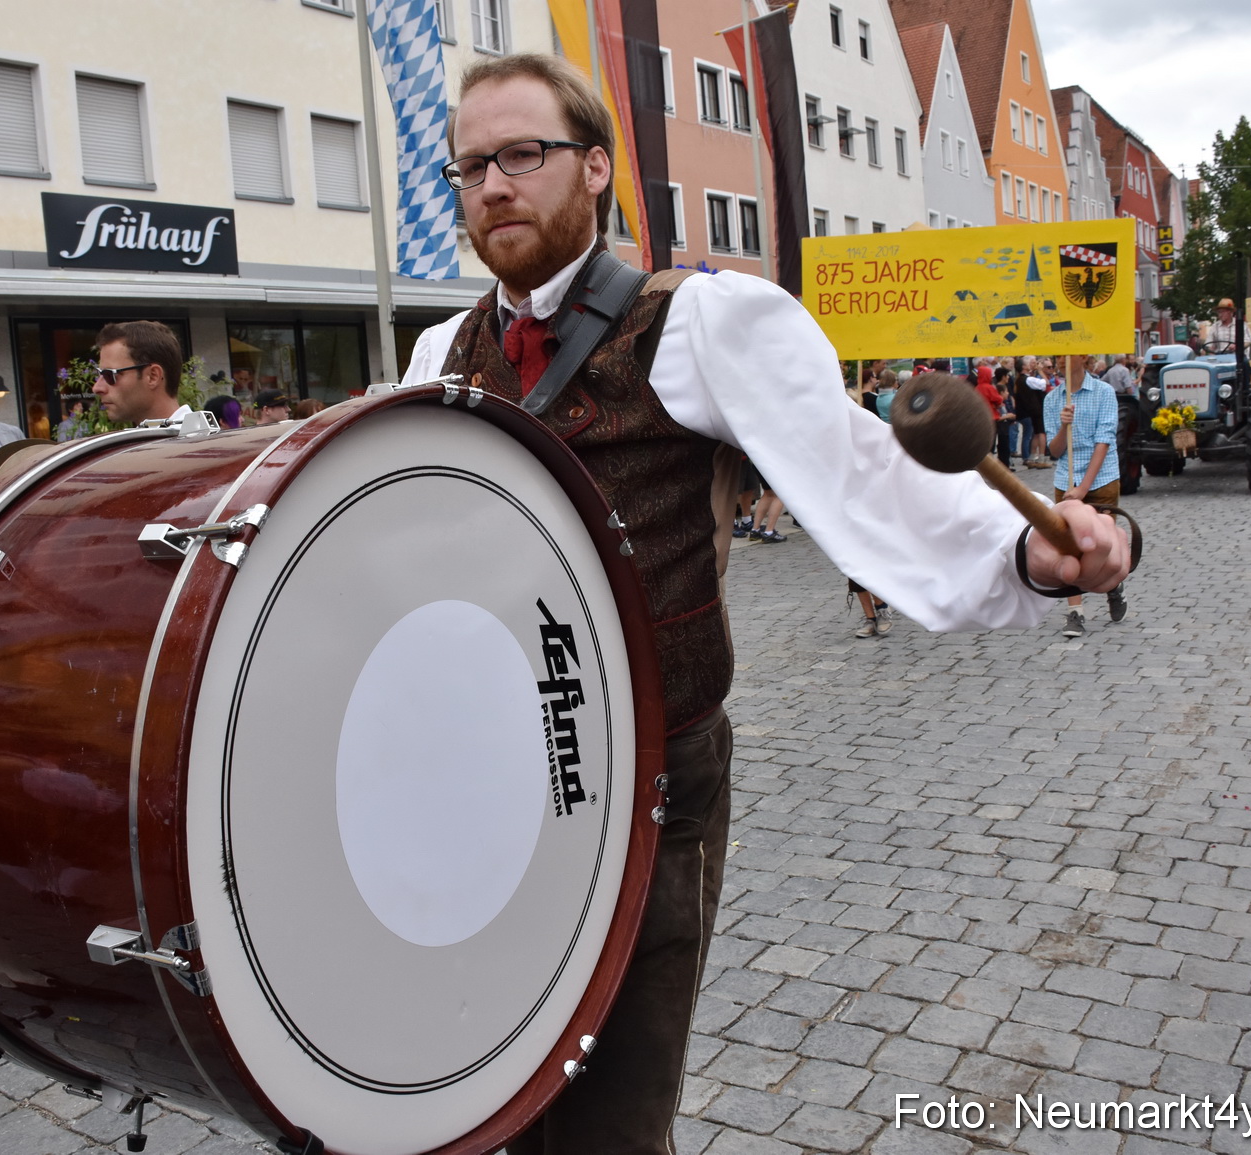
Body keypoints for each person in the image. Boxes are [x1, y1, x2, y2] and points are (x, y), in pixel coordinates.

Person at [407, 53, 1128, 1154]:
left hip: (651, 782)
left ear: (594, 168)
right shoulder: (433, 356)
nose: (493, 184)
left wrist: (1028, 555)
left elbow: (858, 469)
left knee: (610, 1108)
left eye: (522, 154)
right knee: (478, 1086)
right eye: (469, 167)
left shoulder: (700, 322)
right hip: (483, 776)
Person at [1045, 354, 1127, 638]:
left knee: (1102, 544)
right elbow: (1054, 451)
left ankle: (1113, 585)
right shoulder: (1052, 399)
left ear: (1083, 358)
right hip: (1066, 478)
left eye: (1066, 356)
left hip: (1101, 477)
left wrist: (1083, 488)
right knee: (1068, 546)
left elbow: (1103, 441)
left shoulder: (1104, 392)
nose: (1060, 360)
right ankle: (1075, 613)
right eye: (1056, 356)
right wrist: (1064, 426)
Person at [91, 321, 190, 425]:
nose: (97, 388)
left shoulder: (193, 439)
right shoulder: (142, 439)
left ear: (153, 376)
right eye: (100, 374)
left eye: (109, 375)